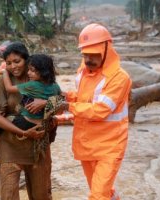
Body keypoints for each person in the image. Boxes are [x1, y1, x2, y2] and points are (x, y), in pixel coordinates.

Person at [57, 23, 132, 200]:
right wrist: (66, 96)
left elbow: (101, 110)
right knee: (103, 191)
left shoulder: (119, 78)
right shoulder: (83, 72)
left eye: (94, 55)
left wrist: (67, 106)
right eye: (85, 55)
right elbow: (84, 99)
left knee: (98, 195)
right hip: (87, 143)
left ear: (107, 50)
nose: (89, 59)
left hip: (109, 146)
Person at [0, 42, 52, 200]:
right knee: (8, 195)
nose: (13, 67)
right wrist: (23, 132)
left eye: (17, 61)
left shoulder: (42, 79)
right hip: (10, 146)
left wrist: (45, 103)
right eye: (8, 63)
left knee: (41, 195)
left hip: (38, 148)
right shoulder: (3, 81)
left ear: (27, 60)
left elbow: (63, 103)